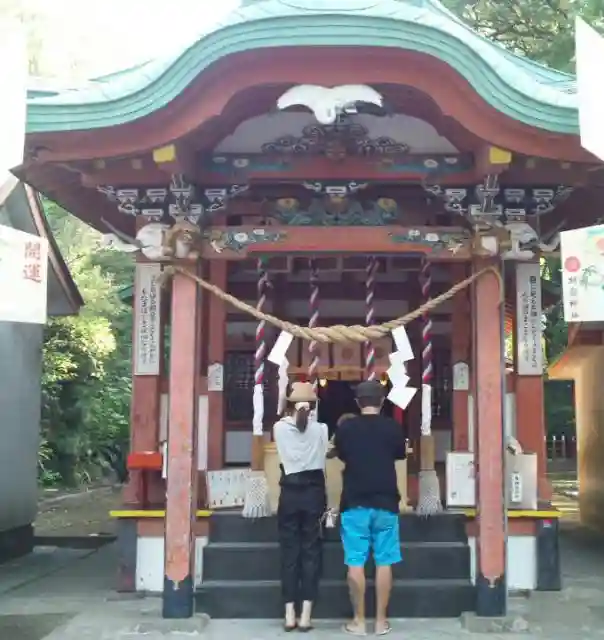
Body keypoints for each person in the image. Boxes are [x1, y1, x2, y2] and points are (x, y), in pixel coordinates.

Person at [332, 381, 407, 637]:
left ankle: (359, 621)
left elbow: (341, 454)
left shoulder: (346, 428)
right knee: (384, 561)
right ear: (382, 401)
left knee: (355, 561)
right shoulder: (393, 427)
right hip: (386, 500)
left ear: (357, 402)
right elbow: (400, 454)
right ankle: (381, 622)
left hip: (354, 501)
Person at [273, 381, 329, 632]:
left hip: (290, 493)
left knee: (289, 552)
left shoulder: (278, 428)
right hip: (313, 494)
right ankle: (306, 615)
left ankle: (289, 614)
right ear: (314, 405)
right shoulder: (322, 429)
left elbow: (296, 423)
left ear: (289, 404)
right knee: (310, 552)